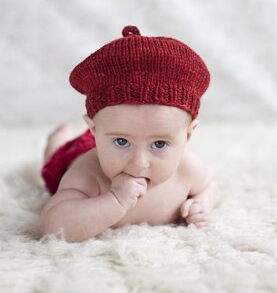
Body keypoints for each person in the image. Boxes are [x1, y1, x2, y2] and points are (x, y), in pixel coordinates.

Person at [40, 25, 218, 242]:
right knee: (57, 155)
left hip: (101, 143)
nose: (139, 163)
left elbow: (209, 184)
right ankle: (58, 138)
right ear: (94, 129)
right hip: (78, 152)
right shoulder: (87, 174)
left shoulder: (188, 169)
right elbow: (54, 227)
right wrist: (115, 200)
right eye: (122, 141)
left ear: (188, 135)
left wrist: (203, 203)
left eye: (159, 144)